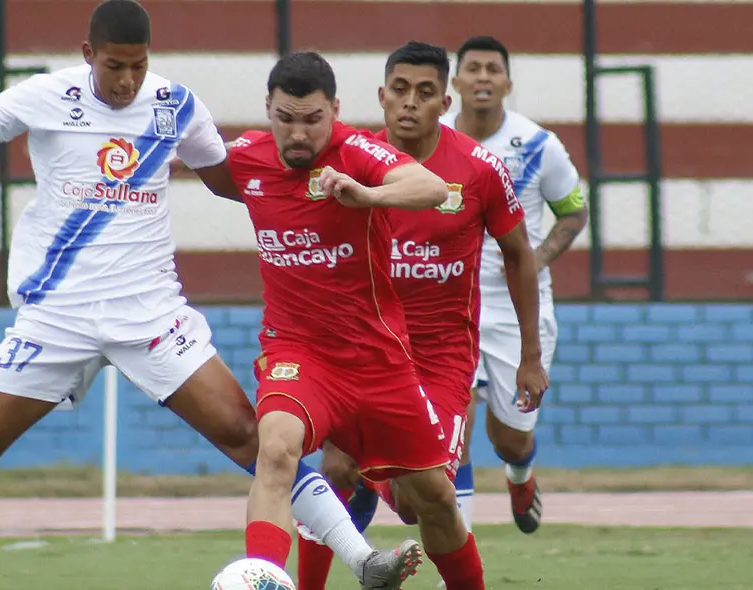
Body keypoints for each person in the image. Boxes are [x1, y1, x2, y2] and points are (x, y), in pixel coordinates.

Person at [0, 3, 416, 590]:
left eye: (139, 66)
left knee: (250, 438)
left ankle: (364, 562)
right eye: (115, 66)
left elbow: (244, 182)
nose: (128, 81)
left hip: (150, 314)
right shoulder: (45, 96)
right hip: (57, 316)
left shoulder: (175, 106)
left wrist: (331, 185)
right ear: (87, 55)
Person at [291, 41, 547, 590]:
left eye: (425, 92)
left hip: (440, 361)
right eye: (400, 90)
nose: (410, 103)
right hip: (364, 349)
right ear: (382, 97)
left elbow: (521, 255)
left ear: (444, 101)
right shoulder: (350, 162)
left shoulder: (479, 171)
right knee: (334, 467)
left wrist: (530, 358)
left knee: (419, 500)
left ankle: (380, 479)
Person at [227, 50, 487, 590]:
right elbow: (178, 156)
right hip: (297, 354)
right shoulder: (246, 156)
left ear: (335, 111)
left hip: (376, 362)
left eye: (312, 120)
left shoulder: (356, 152)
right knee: (275, 449)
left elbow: (432, 188)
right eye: (286, 119)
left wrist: (368, 195)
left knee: (433, 499)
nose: (298, 134)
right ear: (268, 110)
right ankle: (267, 581)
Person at [443, 35, 589, 534]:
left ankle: (519, 475)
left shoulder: (538, 145)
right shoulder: (429, 137)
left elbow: (573, 211)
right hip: (445, 304)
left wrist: (538, 259)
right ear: (456, 82)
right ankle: (455, 562)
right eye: (473, 68)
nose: (483, 76)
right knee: (452, 434)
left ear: (507, 83)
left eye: (493, 69)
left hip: (515, 309)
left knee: (509, 438)